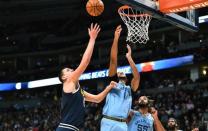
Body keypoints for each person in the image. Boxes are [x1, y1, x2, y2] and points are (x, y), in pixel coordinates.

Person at [56, 23, 117, 131]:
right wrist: (92, 39)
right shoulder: (69, 82)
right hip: (66, 128)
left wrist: (108, 88)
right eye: (68, 70)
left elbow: (97, 99)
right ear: (64, 77)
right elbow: (85, 62)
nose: (72, 70)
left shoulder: (79, 91)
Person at [100, 25, 140, 131]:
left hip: (122, 124)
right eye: (119, 72)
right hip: (108, 122)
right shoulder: (113, 83)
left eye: (123, 72)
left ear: (127, 78)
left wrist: (129, 58)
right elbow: (113, 60)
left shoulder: (130, 89)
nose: (121, 72)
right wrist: (116, 38)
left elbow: (137, 76)